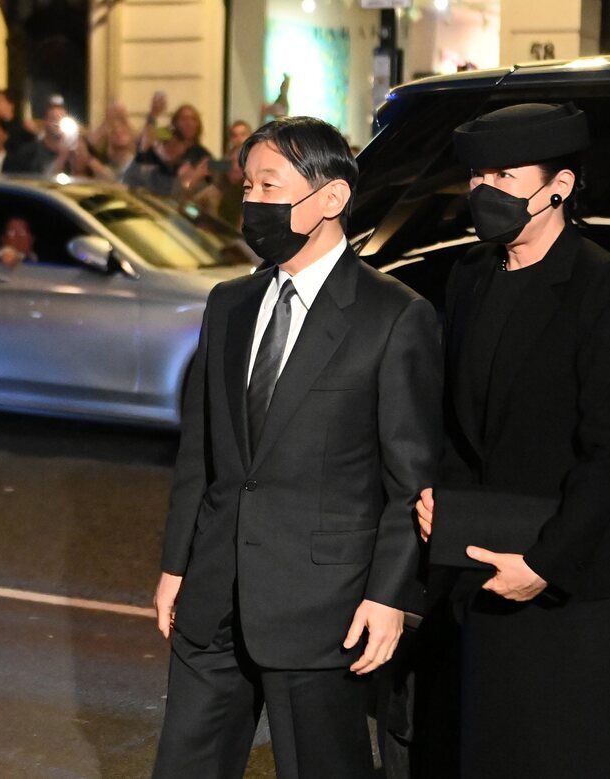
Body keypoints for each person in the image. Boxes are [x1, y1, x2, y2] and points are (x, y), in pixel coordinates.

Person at [151, 116, 442, 778]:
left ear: (331, 197)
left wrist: (388, 595)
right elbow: (201, 452)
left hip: (323, 607)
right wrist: (177, 564)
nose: (253, 202)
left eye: (269, 185)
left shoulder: (393, 315)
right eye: (247, 185)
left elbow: (409, 479)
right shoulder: (229, 302)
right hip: (214, 597)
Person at [415, 103, 610, 777]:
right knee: (490, 747)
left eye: (504, 173)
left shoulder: (601, 284)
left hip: (573, 574)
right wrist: (437, 499)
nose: (483, 189)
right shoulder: (471, 274)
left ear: (559, 186)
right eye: (475, 175)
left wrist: (546, 565)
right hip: (485, 556)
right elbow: (458, 421)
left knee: (564, 750)